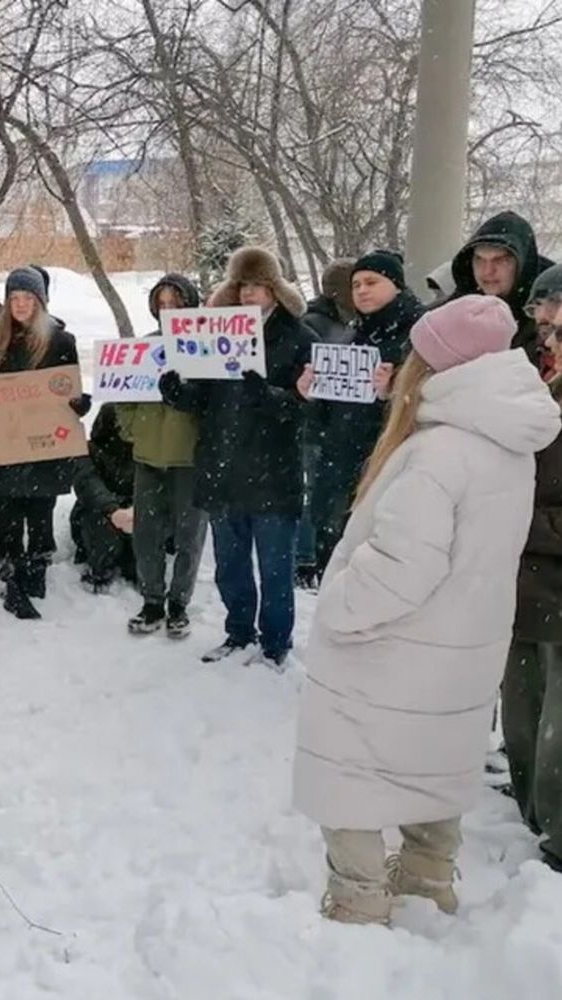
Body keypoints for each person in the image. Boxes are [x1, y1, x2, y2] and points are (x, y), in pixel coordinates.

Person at [293, 295, 561, 925]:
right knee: (434, 759)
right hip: (459, 647)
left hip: (394, 649)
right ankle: (427, 879)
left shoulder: (441, 450)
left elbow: (403, 566)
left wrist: (339, 607)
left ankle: (356, 904)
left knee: (351, 775)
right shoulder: (505, 441)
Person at [158, 246, 315, 669]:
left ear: (274, 290)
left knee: (275, 568)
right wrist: (178, 392)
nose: (249, 294)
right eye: (243, 285)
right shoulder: (215, 330)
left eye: (258, 286)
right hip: (222, 466)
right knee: (230, 565)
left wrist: (271, 397)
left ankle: (275, 644)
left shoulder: (300, 337)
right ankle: (238, 631)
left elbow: (311, 405)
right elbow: (205, 397)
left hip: (272, 470)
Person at [0, 267, 113, 619]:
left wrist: (80, 403)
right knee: (6, 513)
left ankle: (37, 567)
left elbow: (70, 391)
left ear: (39, 301)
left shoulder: (61, 342)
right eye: (14, 298)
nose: (20, 305)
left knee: (39, 510)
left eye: (27, 299)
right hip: (4, 446)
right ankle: (11, 576)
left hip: (44, 447)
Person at [299, 250, 420, 584]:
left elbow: (430, 402)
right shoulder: (348, 337)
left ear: (395, 285)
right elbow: (322, 416)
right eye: (356, 285)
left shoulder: (420, 337)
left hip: (391, 468)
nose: (362, 290)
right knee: (337, 567)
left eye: (371, 282)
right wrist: (310, 392)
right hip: (339, 470)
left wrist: (393, 392)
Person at [502, 263, 562, 873]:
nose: (548, 340)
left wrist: (523, 519)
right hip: (522, 588)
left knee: (558, 730)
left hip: (551, 580)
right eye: (548, 331)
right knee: (521, 715)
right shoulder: (541, 396)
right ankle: (533, 811)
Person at [116, 274, 208, 639]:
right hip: (148, 455)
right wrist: (133, 429)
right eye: (162, 304)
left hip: (190, 457)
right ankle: (152, 599)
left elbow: (216, 403)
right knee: (146, 533)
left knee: (190, 535)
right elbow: (122, 395)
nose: (168, 310)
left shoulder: (206, 346)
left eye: (175, 303)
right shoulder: (144, 347)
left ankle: (179, 603)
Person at [295, 260, 356, 587]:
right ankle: (306, 558)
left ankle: (318, 554)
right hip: (314, 424)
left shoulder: (351, 322)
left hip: (337, 425)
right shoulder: (314, 324)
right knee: (312, 492)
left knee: (326, 491)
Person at [448, 211, 552, 366]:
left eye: (500, 260)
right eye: (479, 260)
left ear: (522, 264)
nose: (487, 271)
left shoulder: (550, 317)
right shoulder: (455, 310)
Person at [70, 402, 136, 591]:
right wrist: (113, 510)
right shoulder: (87, 450)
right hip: (97, 511)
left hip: (134, 509)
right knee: (100, 525)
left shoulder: (142, 452)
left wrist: (135, 507)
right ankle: (100, 569)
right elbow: (87, 483)